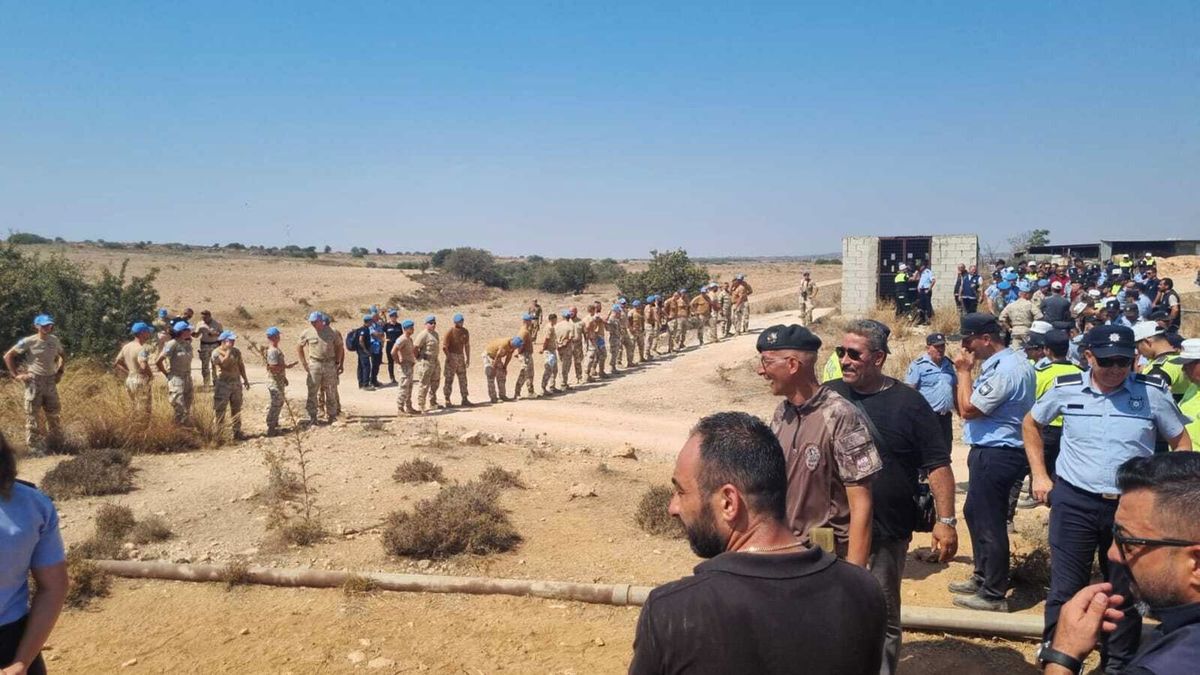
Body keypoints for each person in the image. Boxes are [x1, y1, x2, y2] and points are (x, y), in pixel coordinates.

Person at [627, 412, 886, 675]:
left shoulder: (673, 613)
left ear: (728, 502)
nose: (673, 507)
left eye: (681, 491)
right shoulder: (864, 591)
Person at [1025, 325, 1192, 672]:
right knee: (1065, 587)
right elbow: (1031, 424)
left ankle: (1117, 664)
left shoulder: (1152, 394)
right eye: (1106, 361)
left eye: (1123, 361)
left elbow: (1181, 440)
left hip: (1129, 509)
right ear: (1088, 357)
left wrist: (1165, 495)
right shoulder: (1065, 388)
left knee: (1125, 589)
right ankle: (1056, 656)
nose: (1115, 369)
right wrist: (1040, 475)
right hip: (1075, 501)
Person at [827, 321, 958, 675]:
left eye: (855, 353)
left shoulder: (909, 404)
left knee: (880, 614)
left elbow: (937, 465)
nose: (845, 360)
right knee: (827, 610)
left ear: (879, 358)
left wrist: (946, 522)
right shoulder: (828, 396)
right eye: (841, 352)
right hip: (831, 529)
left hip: (885, 531)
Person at [1040, 453, 1200, 675]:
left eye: (1128, 543)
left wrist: (1063, 655)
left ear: (1196, 565)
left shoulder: (1167, 666)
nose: (1113, 554)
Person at [756, 324, 882, 566]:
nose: (760, 371)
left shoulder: (840, 415)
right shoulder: (782, 413)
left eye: (767, 362)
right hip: (786, 553)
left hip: (828, 562)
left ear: (792, 365)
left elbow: (861, 503)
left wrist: (855, 576)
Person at [949, 312, 1036, 612]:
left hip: (998, 452)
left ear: (986, 339)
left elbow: (969, 409)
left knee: (989, 521)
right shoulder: (1006, 364)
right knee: (976, 513)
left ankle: (993, 593)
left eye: (968, 340)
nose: (965, 347)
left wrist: (963, 373)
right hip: (992, 450)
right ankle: (982, 575)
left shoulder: (1005, 370)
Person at [0, 432, 68, 675]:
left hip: (11, 647)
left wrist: (21, 662)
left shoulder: (33, 504)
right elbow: (53, 587)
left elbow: (54, 586)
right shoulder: (32, 503)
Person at [4, 316, 65, 455]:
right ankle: (34, 449)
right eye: (44, 325)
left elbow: (62, 354)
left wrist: (60, 371)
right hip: (34, 382)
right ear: (36, 326)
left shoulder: (54, 340)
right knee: (33, 416)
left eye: (49, 325)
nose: (47, 328)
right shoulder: (29, 341)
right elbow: (8, 356)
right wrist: (17, 375)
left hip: (50, 381)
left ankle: (56, 445)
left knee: (54, 414)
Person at [905, 333, 957, 449]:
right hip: (927, 416)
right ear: (928, 348)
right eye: (936, 347)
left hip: (945, 417)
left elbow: (954, 388)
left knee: (945, 450)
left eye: (942, 346)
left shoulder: (948, 364)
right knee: (928, 451)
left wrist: (960, 411)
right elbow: (909, 392)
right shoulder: (918, 365)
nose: (940, 350)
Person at [297, 311, 343, 425]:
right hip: (315, 364)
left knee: (331, 390)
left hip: (329, 364)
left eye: (315, 322)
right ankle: (312, 416)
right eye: (311, 322)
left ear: (321, 321)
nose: (313, 324)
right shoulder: (307, 333)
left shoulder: (332, 332)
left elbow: (340, 346)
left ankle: (332, 416)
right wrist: (304, 363)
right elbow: (299, 346)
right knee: (312, 391)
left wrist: (337, 362)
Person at [210, 331, 250, 440]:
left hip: (236, 383)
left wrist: (245, 379)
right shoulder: (216, 353)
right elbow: (224, 364)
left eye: (233, 340)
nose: (233, 342)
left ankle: (237, 432)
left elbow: (241, 365)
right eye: (230, 340)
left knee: (236, 408)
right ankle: (218, 434)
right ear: (223, 341)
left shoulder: (236, 352)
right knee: (220, 410)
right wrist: (228, 351)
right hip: (223, 384)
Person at [1135, 322, 1189, 402]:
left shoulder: (1159, 369)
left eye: (1137, 346)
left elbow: (1151, 399)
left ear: (1147, 342)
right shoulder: (1185, 359)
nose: (1138, 352)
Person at [155, 321, 195, 425]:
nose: (190, 331)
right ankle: (178, 429)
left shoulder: (187, 345)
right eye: (188, 330)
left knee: (187, 406)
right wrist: (167, 374)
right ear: (182, 332)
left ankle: (185, 429)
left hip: (187, 378)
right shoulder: (172, 344)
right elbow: (158, 361)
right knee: (179, 406)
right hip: (176, 378)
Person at [113, 322, 154, 417]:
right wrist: (150, 375)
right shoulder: (141, 349)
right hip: (140, 380)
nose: (149, 334)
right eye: (147, 332)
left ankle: (133, 428)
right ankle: (143, 430)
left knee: (133, 408)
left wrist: (129, 372)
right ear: (142, 333)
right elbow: (143, 366)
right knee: (145, 411)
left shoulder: (126, 346)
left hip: (130, 379)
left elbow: (117, 362)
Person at [264, 327, 297, 436]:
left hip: (278, 380)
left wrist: (284, 378)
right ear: (273, 337)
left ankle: (274, 424)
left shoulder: (275, 349)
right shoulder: (273, 351)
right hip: (275, 381)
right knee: (276, 403)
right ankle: (271, 427)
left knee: (278, 402)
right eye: (277, 335)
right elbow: (273, 367)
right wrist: (286, 366)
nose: (279, 337)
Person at [999, 280, 1043, 348]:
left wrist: (1009, 328)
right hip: (1027, 330)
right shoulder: (1030, 304)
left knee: (1016, 351)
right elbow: (1039, 316)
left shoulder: (1011, 305)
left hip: (1014, 331)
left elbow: (1001, 318)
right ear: (1026, 294)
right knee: (1029, 350)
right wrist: (1033, 325)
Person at [412, 316, 442, 412]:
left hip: (435, 361)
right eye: (431, 323)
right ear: (426, 324)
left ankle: (433, 402)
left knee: (435, 382)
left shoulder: (435, 334)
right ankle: (421, 405)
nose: (433, 325)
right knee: (424, 384)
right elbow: (415, 348)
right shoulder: (423, 335)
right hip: (426, 362)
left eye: (434, 323)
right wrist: (419, 358)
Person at [442, 313, 471, 407]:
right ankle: (447, 399)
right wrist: (450, 358)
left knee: (463, 379)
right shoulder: (450, 332)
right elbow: (444, 347)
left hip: (461, 356)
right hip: (452, 356)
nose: (461, 323)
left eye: (462, 321)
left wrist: (468, 358)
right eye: (459, 321)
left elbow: (466, 345)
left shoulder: (465, 331)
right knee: (449, 379)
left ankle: (465, 398)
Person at [388, 320, 417, 414]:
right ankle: (400, 409)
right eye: (411, 328)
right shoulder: (402, 339)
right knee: (404, 387)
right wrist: (398, 362)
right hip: (404, 366)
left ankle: (409, 407)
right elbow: (393, 351)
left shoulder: (409, 339)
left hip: (409, 366)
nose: (413, 329)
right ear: (405, 329)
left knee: (409, 387)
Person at [484, 336, 519, 403]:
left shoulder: (512, 346)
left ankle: (502, 395)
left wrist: (505, 367)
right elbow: (497, 355)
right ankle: (493, 398)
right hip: (489, 356)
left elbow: (509, 356)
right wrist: (493, 368)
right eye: (515, 347)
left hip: (497, 357)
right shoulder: (504, 345)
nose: (515, 349)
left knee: (502, 375)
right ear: (512, 344)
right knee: (491, 376)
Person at [194, 310, 223, 386]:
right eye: (202, 317)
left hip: (215, 345)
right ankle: (206, 383)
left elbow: (222, 335)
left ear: (210, 316)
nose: (204, 319)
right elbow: (196, 336)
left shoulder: (217, 324)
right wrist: (194, 333)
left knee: (215, 364)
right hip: (204, 345)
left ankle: (216, 381)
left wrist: (215, 334)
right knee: (205, 365)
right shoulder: (200, 324)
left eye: (205, 317)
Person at [513, 313, 537, 398]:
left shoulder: (526, 330)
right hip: (525, 355)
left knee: (530, 374)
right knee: (524, 373)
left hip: (527, 354)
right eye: (530, 320)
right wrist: (519, 353)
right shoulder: (523, 331)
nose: (531, 322)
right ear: (525, 321)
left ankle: (531, 392)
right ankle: (517, 393)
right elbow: (520, 344)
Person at [539, 312, 560, 396]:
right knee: (548, 370)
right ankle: (543, 388)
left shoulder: (551, 327)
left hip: (552, 350)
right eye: (555, 319)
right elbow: (546, 340)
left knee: (554, 369)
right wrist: (543, 349)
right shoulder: (549, 328)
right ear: (552, 319)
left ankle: (552, 386)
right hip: (549, 351)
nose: (556, 321)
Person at [382, 309, 404, 385]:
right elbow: (381, 333)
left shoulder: (399, 325)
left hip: (398, 346)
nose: (393, 317)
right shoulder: (386, 325)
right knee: (390, 362)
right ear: (390, 317)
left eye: (395, 316)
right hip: (389, 345)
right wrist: (384, 339)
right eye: (392, 316)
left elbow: (402, 335)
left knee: (400, 360)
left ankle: (402, 376)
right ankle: (392, 377)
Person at [555, 310, 575, 389]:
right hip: (567, 348)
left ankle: (562, 381)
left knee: (560, 364)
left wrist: (558, 345)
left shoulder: (557, 325)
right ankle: (564, 383)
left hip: (558, 347)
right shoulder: (570, 326)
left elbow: (554, 337)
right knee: (566, 365)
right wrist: (564, 344)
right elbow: (570, 337)